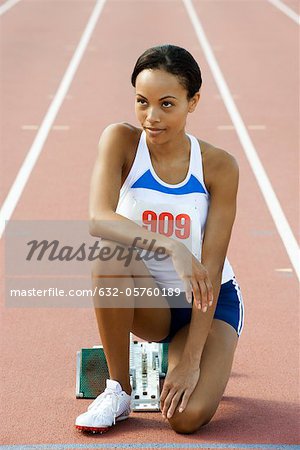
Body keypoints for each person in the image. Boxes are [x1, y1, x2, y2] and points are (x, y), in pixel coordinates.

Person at [75, 44, 244, 435]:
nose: (151, 117)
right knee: (110, 251)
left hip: (208, 303)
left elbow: (213, 268)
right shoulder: (121, 141)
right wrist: (170, 245)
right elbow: (98, 218)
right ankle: (118, 389)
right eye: (142, 101)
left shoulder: (219, 166)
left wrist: (192, 360)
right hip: (150, 304)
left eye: (167, 104)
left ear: (193, 101)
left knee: (185, 419)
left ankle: (189, 354)